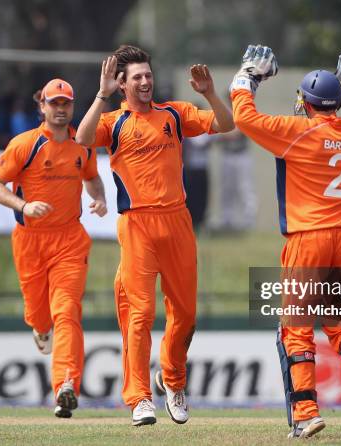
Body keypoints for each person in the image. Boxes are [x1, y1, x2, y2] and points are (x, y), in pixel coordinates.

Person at [230, 45, 341, 439]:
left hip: (308, 240)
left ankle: (306, 412)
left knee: (297, 329)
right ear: (338, 102)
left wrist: (248, 76)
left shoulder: (296, 133)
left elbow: (243, 115)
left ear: (306, 102)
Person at [75, 45, 234, 426]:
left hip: (178, 223)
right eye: (137, 78)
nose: (145, 82)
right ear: (122, 84)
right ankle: (140, 398)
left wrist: (211, 93)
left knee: (186, 316)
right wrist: (100, 93)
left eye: (148, 75)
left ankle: (174, 382)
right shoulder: (113, 121)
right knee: (141, 313)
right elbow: (81, 138)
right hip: (137, 227)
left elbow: (226, 125)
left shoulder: (174, 114)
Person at [0, 78, 108, 418]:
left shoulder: (83, 144)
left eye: (65, 103)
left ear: (72, 107)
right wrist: (23, 206)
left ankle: (65, 385)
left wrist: (98, 198)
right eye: (54, 103)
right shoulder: (25, 145)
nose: (60, 109)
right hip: (30, 242)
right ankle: (40, 329)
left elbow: (92, 176)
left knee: (67, 311)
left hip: (69, 239)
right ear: (42, 106)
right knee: (40, 315)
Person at [183, 131, 213, 229]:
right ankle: (191, 223)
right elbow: (198, 142)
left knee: (202, 196)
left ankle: (200, 222)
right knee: (191, 197)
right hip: (190, 167)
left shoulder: (203, 126)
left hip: (202, 166)